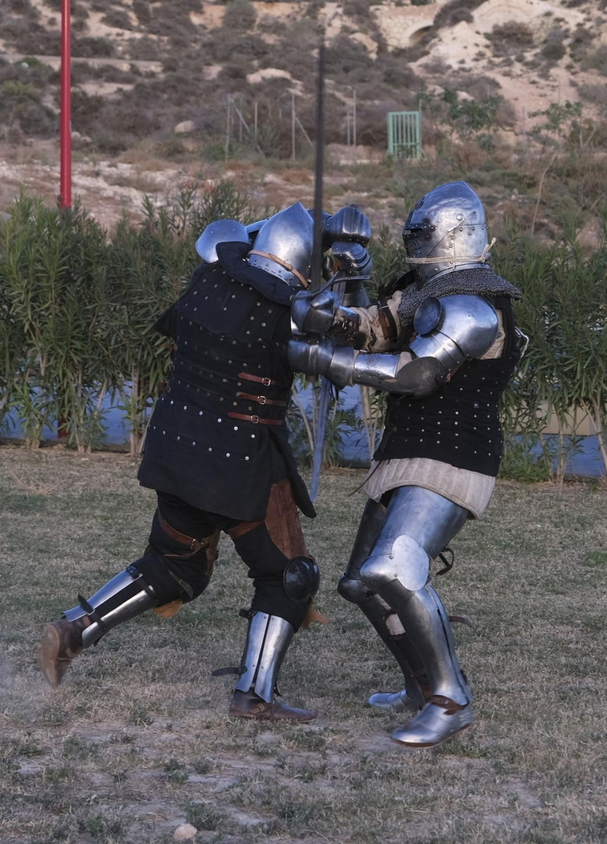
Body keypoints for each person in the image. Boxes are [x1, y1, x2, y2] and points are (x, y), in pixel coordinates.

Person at [38, 203, 371, 722]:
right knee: (289, 576)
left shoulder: (209, 280)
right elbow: (344, 356)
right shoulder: (286, 313)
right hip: (239, 462)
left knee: (178, 564)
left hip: (177, 446)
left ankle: (74, 629)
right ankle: (255, 694)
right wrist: (351, 284)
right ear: (301, 268)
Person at [288, 181, 522, 747]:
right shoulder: (422, 293)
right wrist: (328, 314)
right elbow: (374, 326)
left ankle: (450, 698)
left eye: (422, 230)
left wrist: (322, 358)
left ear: (448, 234)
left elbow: (416, 373)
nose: (413, 237)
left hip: (451, 456)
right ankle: (420, 687)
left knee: (392, 568)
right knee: (360, 584)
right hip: (405, 452)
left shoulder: (475, 306)